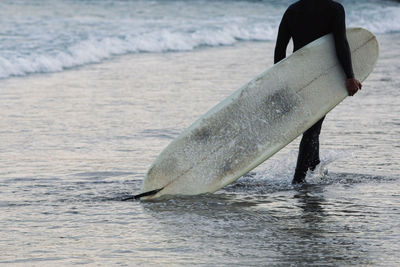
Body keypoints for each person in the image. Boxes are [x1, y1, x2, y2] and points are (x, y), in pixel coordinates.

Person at [274, 0, 362, 184]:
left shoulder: (292, 10)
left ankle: (316, 168)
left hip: (298, 75)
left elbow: (280, 50)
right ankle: (298, 181)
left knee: (313, 125)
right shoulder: (334, 9)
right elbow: (340, 43)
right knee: (313, 128)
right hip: (322, 76)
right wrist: (350, 76)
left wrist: (280, 82)